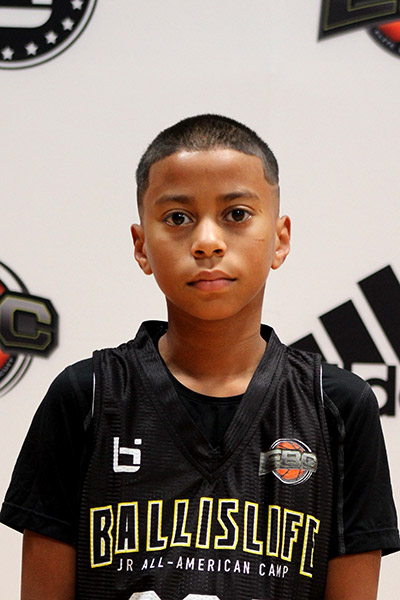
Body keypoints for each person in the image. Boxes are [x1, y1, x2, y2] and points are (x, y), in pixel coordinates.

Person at [1, 114, 399, 600]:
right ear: (141, 246)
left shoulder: (338, 408)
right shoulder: (86, 398)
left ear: (280, 239)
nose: (207, 241)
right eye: (177, 218)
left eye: (236, 214)